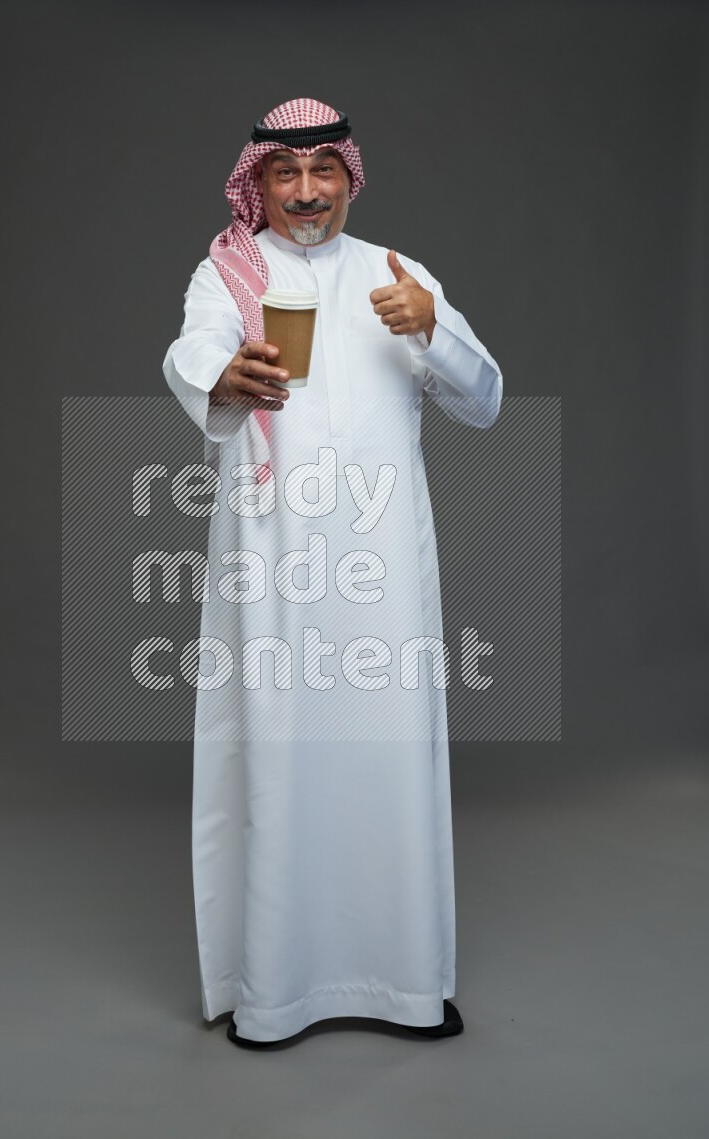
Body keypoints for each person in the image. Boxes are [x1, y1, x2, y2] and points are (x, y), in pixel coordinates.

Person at [162, 98, 503, 1048]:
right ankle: (274, 992)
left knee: (391, 754)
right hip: (271, 564)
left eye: (324, 170)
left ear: (350, 177)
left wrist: (433, 329)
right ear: (259, 182)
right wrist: (224, 376)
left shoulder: (397, 275)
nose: (306, 190)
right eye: (286, 171)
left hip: (382, 572)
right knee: (275, 753)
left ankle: (405, 985)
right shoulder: (229, 273)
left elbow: (484, 398)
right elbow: (192, 349)